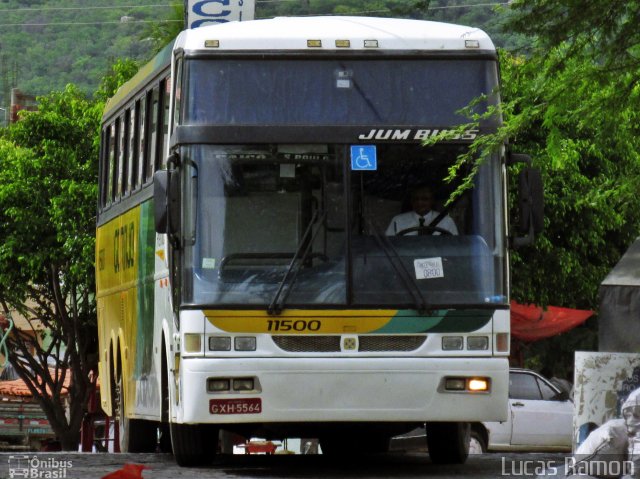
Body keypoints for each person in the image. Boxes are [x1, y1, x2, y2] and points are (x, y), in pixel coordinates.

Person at [385, 185, 458, 236]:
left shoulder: (447, 221)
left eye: (425, 199)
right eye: (416, 199)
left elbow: (455, 246)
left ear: (432, 201)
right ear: (411, 201)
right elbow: (388, 246)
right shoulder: (397, 221)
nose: (419, 202)